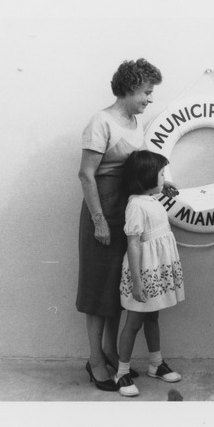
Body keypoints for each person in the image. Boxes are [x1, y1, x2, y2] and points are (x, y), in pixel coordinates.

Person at [76, 59, 177, 392]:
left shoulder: (136, 121)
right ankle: (94, 361)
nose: (149, 99)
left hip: (127, 210)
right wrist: (99, 221)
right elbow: (86, 174)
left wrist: (167, 180)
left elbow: (142, 163)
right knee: (97, 289)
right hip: (102, 210)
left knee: (117, 289)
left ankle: (109, 352)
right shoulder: (100, 121)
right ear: (131, 86)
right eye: (147, 92)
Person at [114, 150, 185, 397]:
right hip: (143, 273)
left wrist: (161, 187)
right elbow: (133, 243)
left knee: (153, 317)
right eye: (161, 174)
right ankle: (122, 372)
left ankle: (155, 363)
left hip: (156, 270)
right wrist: (137, 282)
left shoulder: (151, 200)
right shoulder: (135, 205)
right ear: (146, 177)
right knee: (133, 322)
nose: (165, 178)